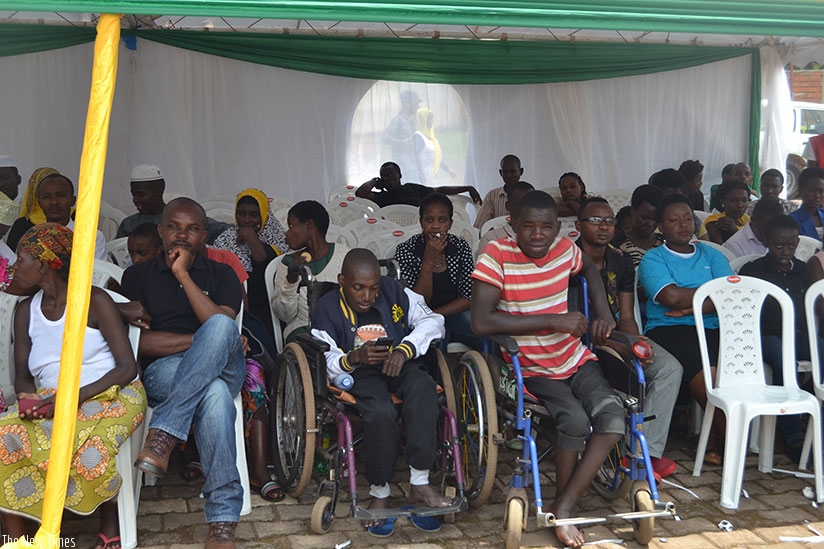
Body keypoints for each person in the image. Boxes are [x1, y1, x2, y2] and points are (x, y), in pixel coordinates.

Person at [471, 190, 623, 548]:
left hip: (572, 357)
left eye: (546, 228)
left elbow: (587, 267)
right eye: (529, 227)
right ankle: (562, 503)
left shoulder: (565, 250)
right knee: (573, 419)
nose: (538, 235)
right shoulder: (497, 256)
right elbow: (481, 322)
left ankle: (565, 503)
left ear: (559, 227)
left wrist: (604, 314)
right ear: (513, 226)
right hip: (530, 364)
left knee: (614, 419)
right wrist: (554, 320)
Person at [0, 223, 146, 548]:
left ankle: (109, 521)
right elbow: (22, 373)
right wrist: (27, 398)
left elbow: (126, 368)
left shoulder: (94, 300)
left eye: (21, 258)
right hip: (52, 396)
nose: (14, 266)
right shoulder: (26, 311)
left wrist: (70, 399)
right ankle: (17, 536)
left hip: (113, 392)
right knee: (4, 435)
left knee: (88, 444)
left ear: (44, 264)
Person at [120, 198, 246, 548]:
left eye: (192, 229)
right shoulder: (137, 277)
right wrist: (202, 343)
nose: (182, 235)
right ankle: (222, 521)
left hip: (226, 367)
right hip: (166, 372)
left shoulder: (223, 275)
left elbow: (222, 328)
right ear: (161, 231)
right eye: (174, 226)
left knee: (221, 327)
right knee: (214, 394)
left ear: (204, 236)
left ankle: (163, 435)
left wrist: (182, 275)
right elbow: (139, 344)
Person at [311, 248, 450, 537]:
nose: (367, 296)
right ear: (342, 281)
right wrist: (355, 358)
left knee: (424, 388)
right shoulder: (326, 308)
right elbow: (324, 358)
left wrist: (405, 349)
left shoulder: (394, 291)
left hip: (399, 361)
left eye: (373, 288)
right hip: (357, 373)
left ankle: (420, 481)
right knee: (380, 410)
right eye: (358, 288)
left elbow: (434, 321)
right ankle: (380, 488)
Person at [574, 197, 682, 480]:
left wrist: (634, 342)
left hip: (617, 334)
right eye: (595, 221)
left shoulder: (620, 260)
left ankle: (646, 453)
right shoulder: (566, 261)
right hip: (576, 338)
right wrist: (617, 345)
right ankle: (626, 445)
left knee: (668, 367)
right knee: (624, 370)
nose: (604, 227)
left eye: (609, 221)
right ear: (578, 225)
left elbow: (626, 313)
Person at [639, 193, 734, 465]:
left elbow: (731, 294)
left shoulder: (711, 254)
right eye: (673, 220)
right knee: (709, 372)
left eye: (687, 219)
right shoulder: (653, 259)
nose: (683, 225)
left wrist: (691, 306)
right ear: (661, 226)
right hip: (671, 327)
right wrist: (708, 299)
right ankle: (731, 440)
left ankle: (714, 437)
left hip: (713, 325)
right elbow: (669, 298)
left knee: (735, 366)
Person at [739, 215, 820, 462]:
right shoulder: (753, 270)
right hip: (765, 336)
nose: (785, 251)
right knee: (785, 362)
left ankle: (817, 432)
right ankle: (792, 434)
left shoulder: (803, 270)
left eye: (791, 245)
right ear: (766, 241)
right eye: (779, 245)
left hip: (799, 334)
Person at [394, 193, 482, 352]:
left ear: (450, 223)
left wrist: (435, 314)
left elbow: (469, 297)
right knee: (434, 342)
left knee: (484, 332)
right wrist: (427, 260)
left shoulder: (460, 247)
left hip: (455, 313)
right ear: (421, 222)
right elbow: (417, 303)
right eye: (429, 220)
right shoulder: (406, 250)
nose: (435, 226)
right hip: (419, 319)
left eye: (442, 220)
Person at [212, 188, 288, 339]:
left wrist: (248, 235)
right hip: (233, 298)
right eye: (241, 213)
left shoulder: (276, 236)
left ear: (264, 213)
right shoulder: (226, 238)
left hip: (268, 302)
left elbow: (263, 261)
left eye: (254, 214)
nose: (246, 220)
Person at [271, 200, 349, 343]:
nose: (286, 233)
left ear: (309, 225)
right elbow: (285, 315)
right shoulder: (288, 263)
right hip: (303, 328)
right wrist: (291, 281)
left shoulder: (344, 255)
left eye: (291, 225)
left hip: (342, 324)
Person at [115, 164, 227, 243]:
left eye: (141, 194)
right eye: (133, 194)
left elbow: (223, 230)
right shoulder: (128, 224)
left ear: (159, 191)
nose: (135, 200)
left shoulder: (182, 218)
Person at [6, 173, 107, 260]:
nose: (54, 202)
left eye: (60, 195)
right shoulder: (31, 237)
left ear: (73, 200)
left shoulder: (91, 236)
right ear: (40, 203)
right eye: (47, 197)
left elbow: (98, 277)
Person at [356, 161, 481, 208]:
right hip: (391, 234)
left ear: (399, 175)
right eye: (383, 176)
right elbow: (360, 193)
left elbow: (439, 190)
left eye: (390, 174)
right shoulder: (382, 196)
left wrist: (467, 188)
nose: (387, 178)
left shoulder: (413, 188)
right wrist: (375, 180)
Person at [649, 168, 709, 240]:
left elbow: (705, 241)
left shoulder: (690, 216)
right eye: (669, 192)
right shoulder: (651, 218)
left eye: (678, 192)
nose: (674, 197)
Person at [619, 185, 665, 268]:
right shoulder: (618, 243)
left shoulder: (665, 244)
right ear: (633, 212)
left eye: (656, 219)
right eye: (644, 218)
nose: (650, 224)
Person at [478, 181, 534, 250]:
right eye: (520, 204)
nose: (526, 209)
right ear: (508, 206)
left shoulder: (541, 237)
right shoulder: (492, 239)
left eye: (530, 204)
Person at [473, 154, 524, 229]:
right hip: (497, 237)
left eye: (513, 172)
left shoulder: (529, 195)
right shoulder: (492, 196)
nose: (509, 175)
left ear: (521, 171)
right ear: (501, 173)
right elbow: (479, 227)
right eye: (505, 172)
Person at [383, 90, 422, 184]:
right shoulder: (398, 120)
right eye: (416, 103)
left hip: (411, 165)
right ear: (408, 104)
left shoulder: (408, 120)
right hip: (404, 167)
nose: (418, 106)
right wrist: (401, 143)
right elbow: (385, 137)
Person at [413, 107, 456, 186]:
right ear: (422, 120)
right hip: (423, 178)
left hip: (431, 174)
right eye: (428, 119)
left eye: (432, 119)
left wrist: (447, 170)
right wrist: (422, 179)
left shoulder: (430, 137)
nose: (431, 122)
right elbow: (417, 160)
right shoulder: (418, 136)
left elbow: (434, 157)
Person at [704, 179, 751, 244]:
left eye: (744, 200)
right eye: (734, 201)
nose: (740, 205)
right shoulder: (715, 223)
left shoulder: (748, 220)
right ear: (723, 202)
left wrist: (735, 230)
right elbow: (721, 250)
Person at [790, 167, 824, 240]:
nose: (817, 195)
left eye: (821, 191)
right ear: (800, 190)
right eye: (812, 190)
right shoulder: (792, 220)